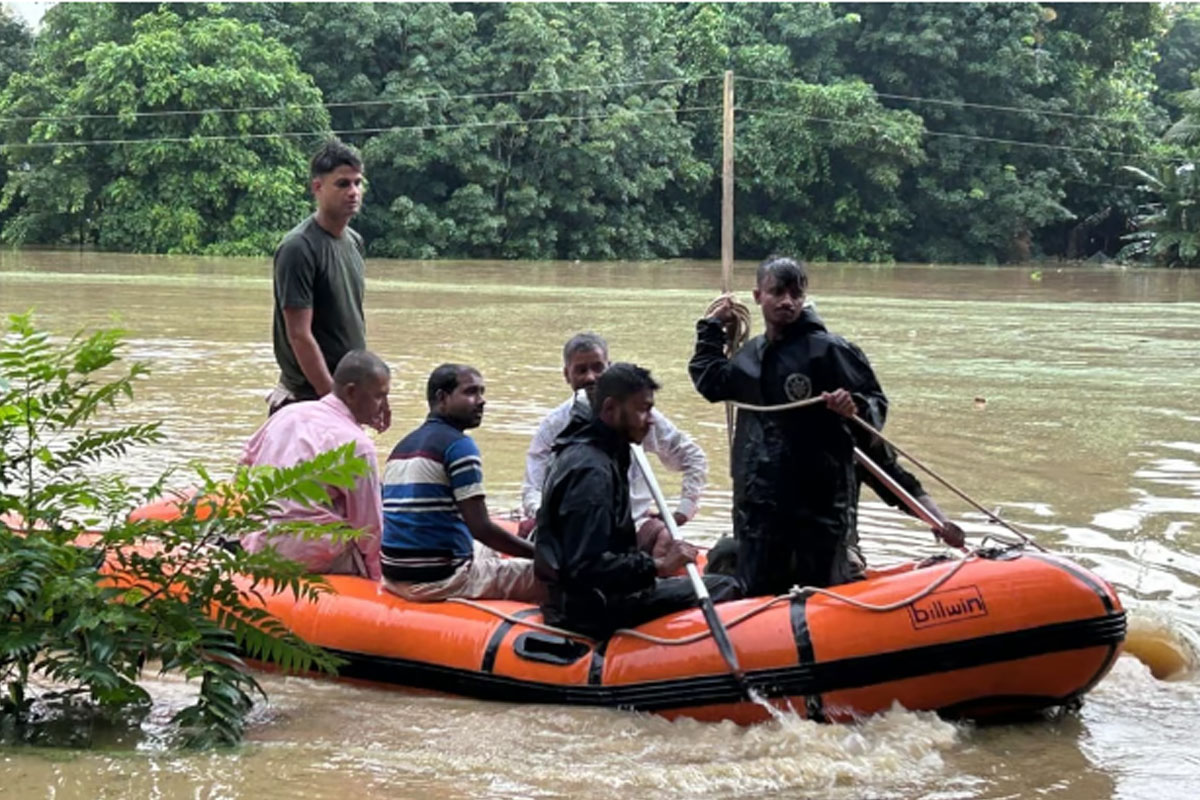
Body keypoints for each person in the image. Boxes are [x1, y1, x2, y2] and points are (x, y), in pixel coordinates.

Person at [690, 255, 963, 596]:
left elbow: (874, 432)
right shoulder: (749, 357)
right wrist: (711, 328)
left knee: (824, 598)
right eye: (778, 292)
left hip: (817, 515)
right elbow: (711, 381)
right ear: (758, 296)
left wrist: (855, 408)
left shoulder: (830, 352)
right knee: (754, 595)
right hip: (758, 514)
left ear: (804, 297)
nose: (787, 301)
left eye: (795, 293)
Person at [534, 363, 741, 639]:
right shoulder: (591, 472)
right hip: (594, 608)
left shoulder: (594, 451)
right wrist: (657, 567)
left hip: (591, 596)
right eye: (643, 409)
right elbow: (586, 565)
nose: (651, 419)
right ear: (609, 409)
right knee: (726, 586)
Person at [521, 332, 707, 558]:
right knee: (532, 535)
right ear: (566, 375)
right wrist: (545, 516)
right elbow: (533, 486)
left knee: (666, 543)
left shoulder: (638, 414)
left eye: (598, 368)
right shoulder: (554, 425)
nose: (591, 377)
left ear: (608, 368)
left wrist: (683, 512)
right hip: (574, 526)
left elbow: (693, 457)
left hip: (632, 523)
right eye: (581, 370)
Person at [380, 364, 543, 602]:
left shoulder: (401, 447)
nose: (482, 401)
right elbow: (481, 528)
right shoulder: (459, 447)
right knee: (552, 576)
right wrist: (541, 555)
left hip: (395, 575)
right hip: (442, 580)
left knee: (490, 552)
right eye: (471, 392)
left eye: (482, 392)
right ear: (442, 398)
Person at [269, 138, 388, 432]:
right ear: (317, 188)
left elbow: (351, 325)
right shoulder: (299, 247)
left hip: (345, 397)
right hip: (307, 401)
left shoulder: (354, 242)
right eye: (343, 184)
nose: (353, 192)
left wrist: (375, 395)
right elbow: (299, 335)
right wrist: (332, 404)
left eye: (358, 183)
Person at [241, 350, 390, 579]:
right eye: (379, 397)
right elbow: (369, 527)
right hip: (308, 553)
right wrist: (379, 579)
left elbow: (244, 464)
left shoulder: (286, 414)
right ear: (351, 392)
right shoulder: (358, 446)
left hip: (257, 543)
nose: (384, 406)